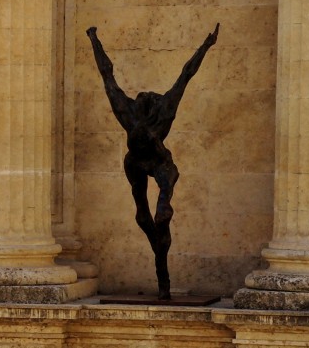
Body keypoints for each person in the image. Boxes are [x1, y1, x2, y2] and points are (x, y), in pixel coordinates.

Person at [87, 24, 219, 300]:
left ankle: (163, 204)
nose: (147, 95)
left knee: (167, 178)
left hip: (156, 161)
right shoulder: (143, 112)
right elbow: (107, 74)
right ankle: (157, 223)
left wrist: (206, 47)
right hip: (137, 162)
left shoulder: (149, 111)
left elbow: (185, 74)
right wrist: (94, 40)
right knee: (146, 215)